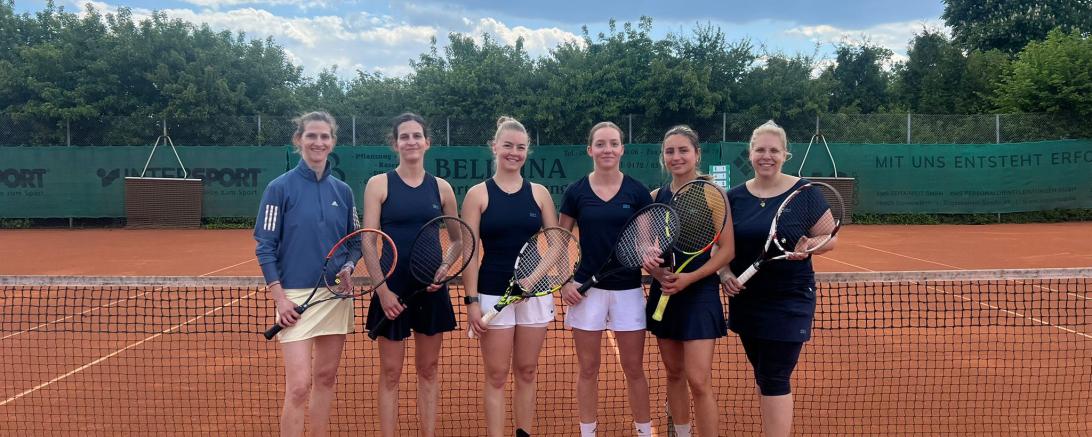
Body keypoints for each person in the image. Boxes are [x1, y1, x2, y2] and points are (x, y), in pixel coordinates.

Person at [720, 120, 838, 437]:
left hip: (790, 299)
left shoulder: (805, 193)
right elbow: (722, 248)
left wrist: (810, 246)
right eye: (760, 150)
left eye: (774, 150)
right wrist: (725, 273)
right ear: (750, 153)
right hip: (748, 301)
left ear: (785, 154)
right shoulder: (733, 198)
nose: (767, 156)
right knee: (763, 375)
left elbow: (829, 236)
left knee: (774, 377)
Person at [255, 111, 358, 437]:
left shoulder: (343, 192)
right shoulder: (278, 189)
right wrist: (280, 300)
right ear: (299, 140)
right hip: (295, 299)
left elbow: (354, 242)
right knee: (299, 386)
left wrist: (348, 269)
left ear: (333, 142)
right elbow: (265, 247)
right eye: (311, 135)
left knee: (326, 378)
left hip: (335, 297)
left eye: (324, 136)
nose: (318, 142)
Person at [363, 113, 459, 437]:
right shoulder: (379, 185)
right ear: (395, 144)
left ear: (427, 142)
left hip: (430, 290)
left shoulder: (442, 188)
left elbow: (458, 241)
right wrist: (382, 291)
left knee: (428, 369)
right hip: (392, 292)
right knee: (391, 373)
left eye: (417, 135)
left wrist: (445, 269)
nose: (411, 141)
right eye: (404, 136)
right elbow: (368, 241)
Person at [462, 116, 559, 437]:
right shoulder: (477, 195)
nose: (514, 153)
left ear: (527, 151)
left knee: (527, 371)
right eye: (508, 145)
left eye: (520, 147)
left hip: (535, 294)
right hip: (492, 292)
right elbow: (470, 253)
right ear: (495, 147)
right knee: (496, 375)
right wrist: (472, 302)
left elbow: (557, 245)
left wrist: (531, 280)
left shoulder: (540, 194)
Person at [558, 121, 654, 437]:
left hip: (628, 290)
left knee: (634, 368)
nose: (607, 149)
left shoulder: (637, 192)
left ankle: (643, 431)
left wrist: (650, 254)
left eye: (613, 143)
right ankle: (588, 432)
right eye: (600, 144)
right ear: (590, 150)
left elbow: (644, 243)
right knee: (588, 369)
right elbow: (560, 242)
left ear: (622, 149)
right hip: (586, 293)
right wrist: (565, 282)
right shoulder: (575, 192)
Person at [643, 125, 734, 437]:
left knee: (699, 380)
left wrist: (690, 278)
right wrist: (656, 271)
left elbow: (727, 250)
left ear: (697, 154)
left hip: (700, 294)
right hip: (665, 293)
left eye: (683, 150)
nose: (676, 156)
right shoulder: (656, 197)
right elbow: (648, 250)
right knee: (673, 374)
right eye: (670, 151)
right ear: (663, 156)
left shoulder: (713, 194)